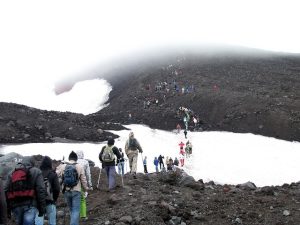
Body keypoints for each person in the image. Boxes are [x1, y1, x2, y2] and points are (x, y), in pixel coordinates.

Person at [5, 156, 46, 225]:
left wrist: (8, 209)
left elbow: (5, 190)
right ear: (32, 163)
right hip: (31, 205)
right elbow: (41, 190)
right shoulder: (36, 171)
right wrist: (42, 209)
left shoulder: (12, 173)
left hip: (15, 206)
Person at [56, 151, 90, 225]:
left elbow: (56, 174)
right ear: (76, 159)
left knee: (71, 209)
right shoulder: (79, 166)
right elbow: (83, 180)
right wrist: (86, 189)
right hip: (76, 191)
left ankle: (73, 222)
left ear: (69, 158)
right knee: (76, 210)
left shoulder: (63, 166)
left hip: (66, 190)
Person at [35, 156, 60, 225]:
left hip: (38, 201)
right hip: (50, 201)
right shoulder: (53, 174)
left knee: (38, 220)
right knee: (52, 221)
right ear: (50, 164)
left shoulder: (37, 173)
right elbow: (57, 189)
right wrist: (54, 199)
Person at [76, 150, 93, 220]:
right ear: (82, 155)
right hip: (82, 182)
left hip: (73, 183)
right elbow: (88, 174)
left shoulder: (73, 162)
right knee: (82, 199)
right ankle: (83, 216)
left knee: (75, 199)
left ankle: (75, 215)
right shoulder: (85, 162)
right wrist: (90, 185)